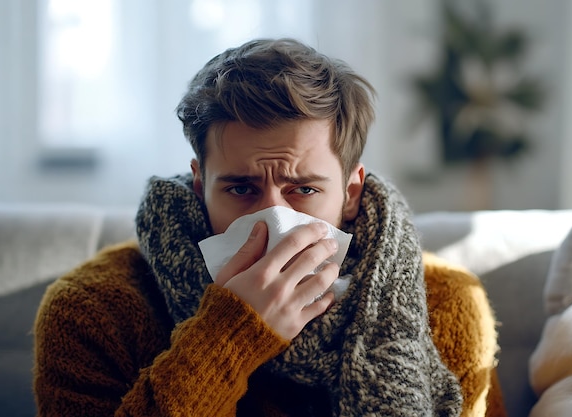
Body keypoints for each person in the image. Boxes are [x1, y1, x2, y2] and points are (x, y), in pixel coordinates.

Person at [33, 38, 502, 416]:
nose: (274, 219)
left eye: (303, 190)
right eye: (240, 189)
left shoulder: (446, 303)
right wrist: (229, 336)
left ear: (352, 192)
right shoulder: (94, 310)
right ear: (200, 186)